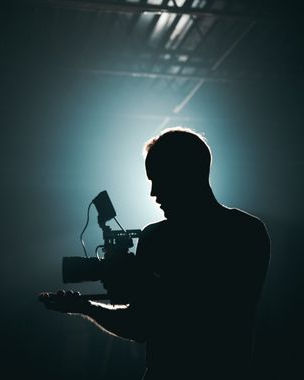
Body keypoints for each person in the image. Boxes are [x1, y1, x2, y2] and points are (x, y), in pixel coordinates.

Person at [41, 127, 270, 379]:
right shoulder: (247, 231)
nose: (153, 193)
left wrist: (141, 281)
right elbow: (141, 324)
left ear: (185, 173)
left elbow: (218, 312)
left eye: (158, 178)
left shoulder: (244, 233)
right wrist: (86, 306)